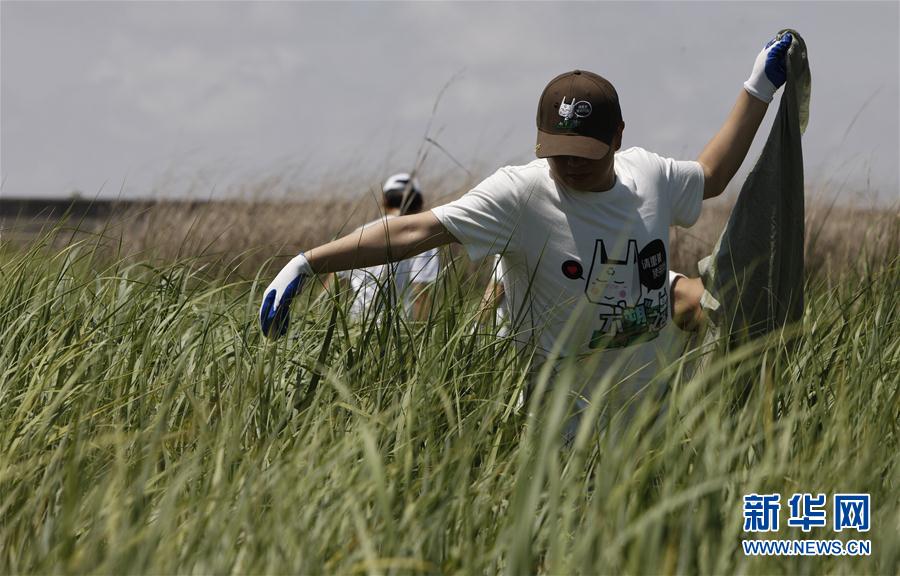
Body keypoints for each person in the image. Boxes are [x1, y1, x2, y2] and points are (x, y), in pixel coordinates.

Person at [258, 32, 793, 425]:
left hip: (649, 420)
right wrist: (310, 261)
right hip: (555, 430)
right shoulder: (519, 193)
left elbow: (713, 174)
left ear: (617, 137)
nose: (571, 165)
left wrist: (758, 88)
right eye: (558, 152)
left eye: (585, 152)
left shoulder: (648, 176)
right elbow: (418, 230)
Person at [328, 173, 439, 323]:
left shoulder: (360, 232)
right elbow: (419, 294)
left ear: (384, 201)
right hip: (396, 331)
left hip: (355, 324)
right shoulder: (423, 239)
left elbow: (330, 287)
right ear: (419, 204)